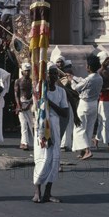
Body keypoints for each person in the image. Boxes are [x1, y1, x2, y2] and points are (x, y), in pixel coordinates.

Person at [33, 63, 69, 203]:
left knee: (54, 160)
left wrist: (50, 103)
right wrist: (44, 98)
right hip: (42, 127)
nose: (52, 76)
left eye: (54, 73)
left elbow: (64, 112)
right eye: (49, 73)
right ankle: (37, 192)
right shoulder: (40, 90)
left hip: (55, 126)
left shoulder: (61, 92)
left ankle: (48, 193)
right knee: (42, 159)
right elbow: (37, 108)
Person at [69, 54, 103, 160]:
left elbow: (76, 88)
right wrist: (73, 77)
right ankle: (83, 151)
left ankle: (87, 150)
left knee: (79, 128)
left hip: (85, 105)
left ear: (89, 67)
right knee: (89, 128)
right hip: (94, 105)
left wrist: (71, 80)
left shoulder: (89, 80)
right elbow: (83, 80)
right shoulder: (99, 78)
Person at [14, 62, 34, 150]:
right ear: (22, 71)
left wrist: (29, 104)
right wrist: (19, 105)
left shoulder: (32, 81)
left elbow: (34, 94)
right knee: (23, 124)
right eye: (26, 71)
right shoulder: (18, 81)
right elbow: (16, 94)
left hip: (30, 104)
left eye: (28, 71)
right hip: (21, 104)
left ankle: (31, 142)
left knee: (30, 124)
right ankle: (24, 142)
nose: (27, 73)